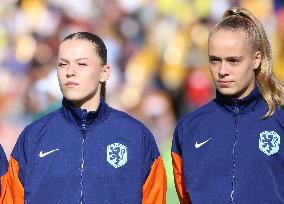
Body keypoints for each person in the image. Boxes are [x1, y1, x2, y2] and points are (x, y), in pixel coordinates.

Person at [2, 32, 167, 203]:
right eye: (62, 64)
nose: (70, 72)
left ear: (104, 73)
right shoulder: (33, 137)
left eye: (81, 64)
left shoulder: (136, 135)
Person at [171, 7, 284, 203]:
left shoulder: (279, 118)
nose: (222, 70)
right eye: (215, 60)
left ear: (256, 59)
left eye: (233, 61)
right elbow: (185, 197)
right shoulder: (189, 128)